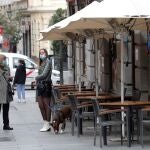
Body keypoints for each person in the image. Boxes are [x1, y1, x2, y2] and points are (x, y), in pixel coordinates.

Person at [36, 49, 52, 132]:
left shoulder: (48, 62)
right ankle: (45, 122)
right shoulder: (41, 62)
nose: (41, 54)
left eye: (43, 53)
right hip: (40, 85)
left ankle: (48, 123)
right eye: (40, 53)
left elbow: (44, 74)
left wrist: (36, 78)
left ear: (46, 53)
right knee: (40, 105)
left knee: (46, 105)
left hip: (46, 85)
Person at [0, 54, 13, 130]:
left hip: (6, 91)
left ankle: (6, 125)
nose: (5, 61)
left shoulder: (7, 67)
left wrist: (9, 78)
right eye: (4, 59)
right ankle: (6, 125)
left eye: (5, 59)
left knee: (6, 109)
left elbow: (7, 77)